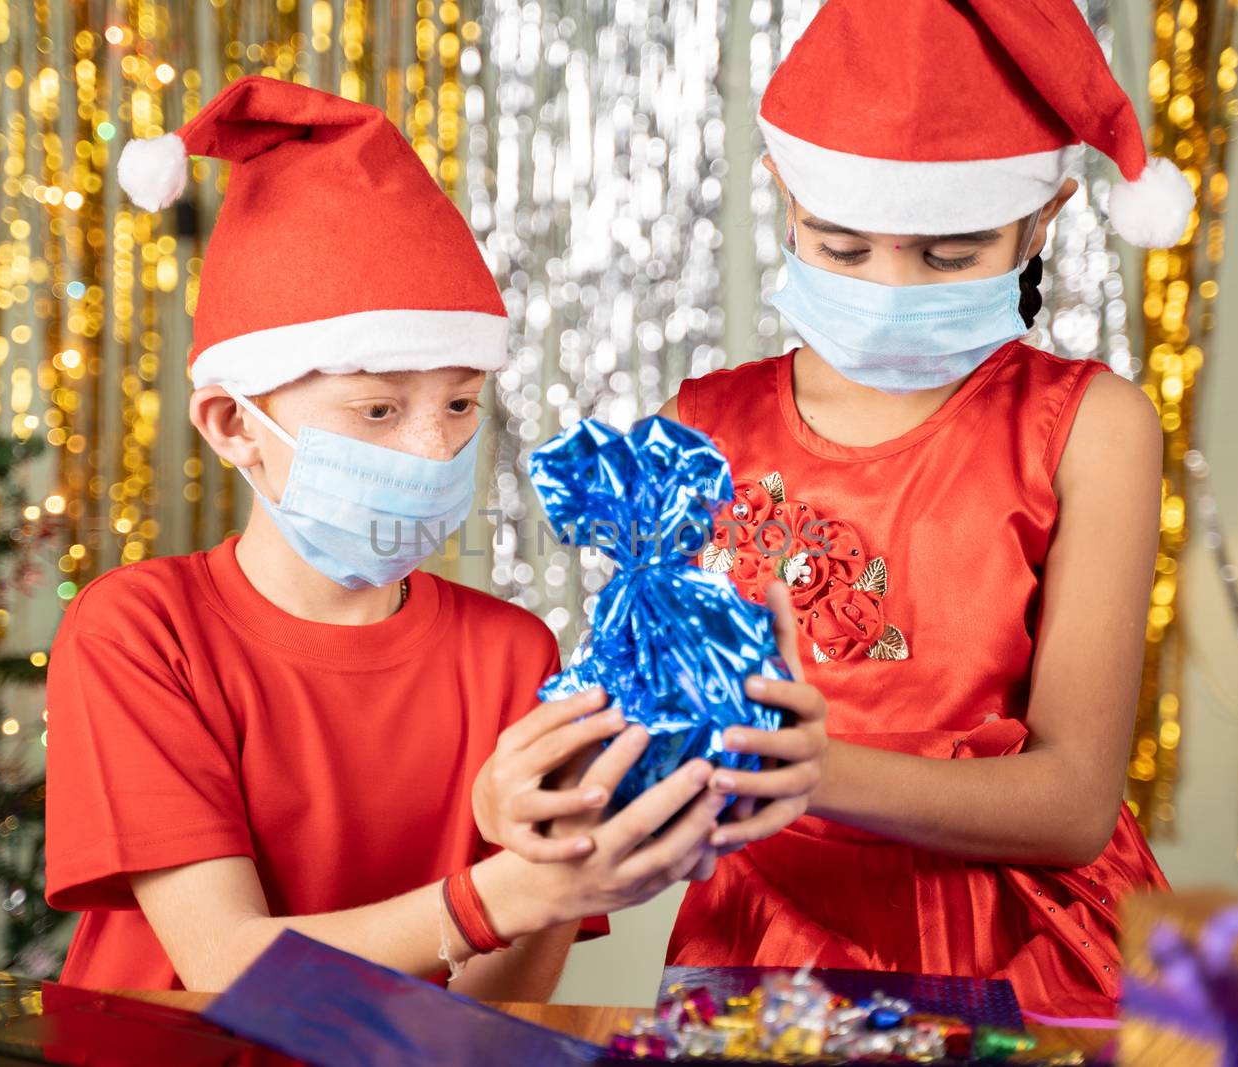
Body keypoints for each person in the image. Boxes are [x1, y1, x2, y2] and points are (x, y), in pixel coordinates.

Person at [501, 0, 1184, 1021]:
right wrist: (546, 797)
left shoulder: (1088, 426)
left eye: (947, 254)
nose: (890, 282)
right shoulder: (701, 428)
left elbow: (1073, 803)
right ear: (784, 198)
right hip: (763, 953)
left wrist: (809, 769)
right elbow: (654, 727)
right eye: (841, 244)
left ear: (1041, 221)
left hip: (1023, 955)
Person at [43, 77, 755, 996]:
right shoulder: (142, 632)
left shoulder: (510, 655)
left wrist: (576, 849)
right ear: (231, 424)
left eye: (460, 402)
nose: (432, 446)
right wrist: (502, 890)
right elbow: (222, 964)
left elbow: (490, 1022)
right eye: (378, 408)